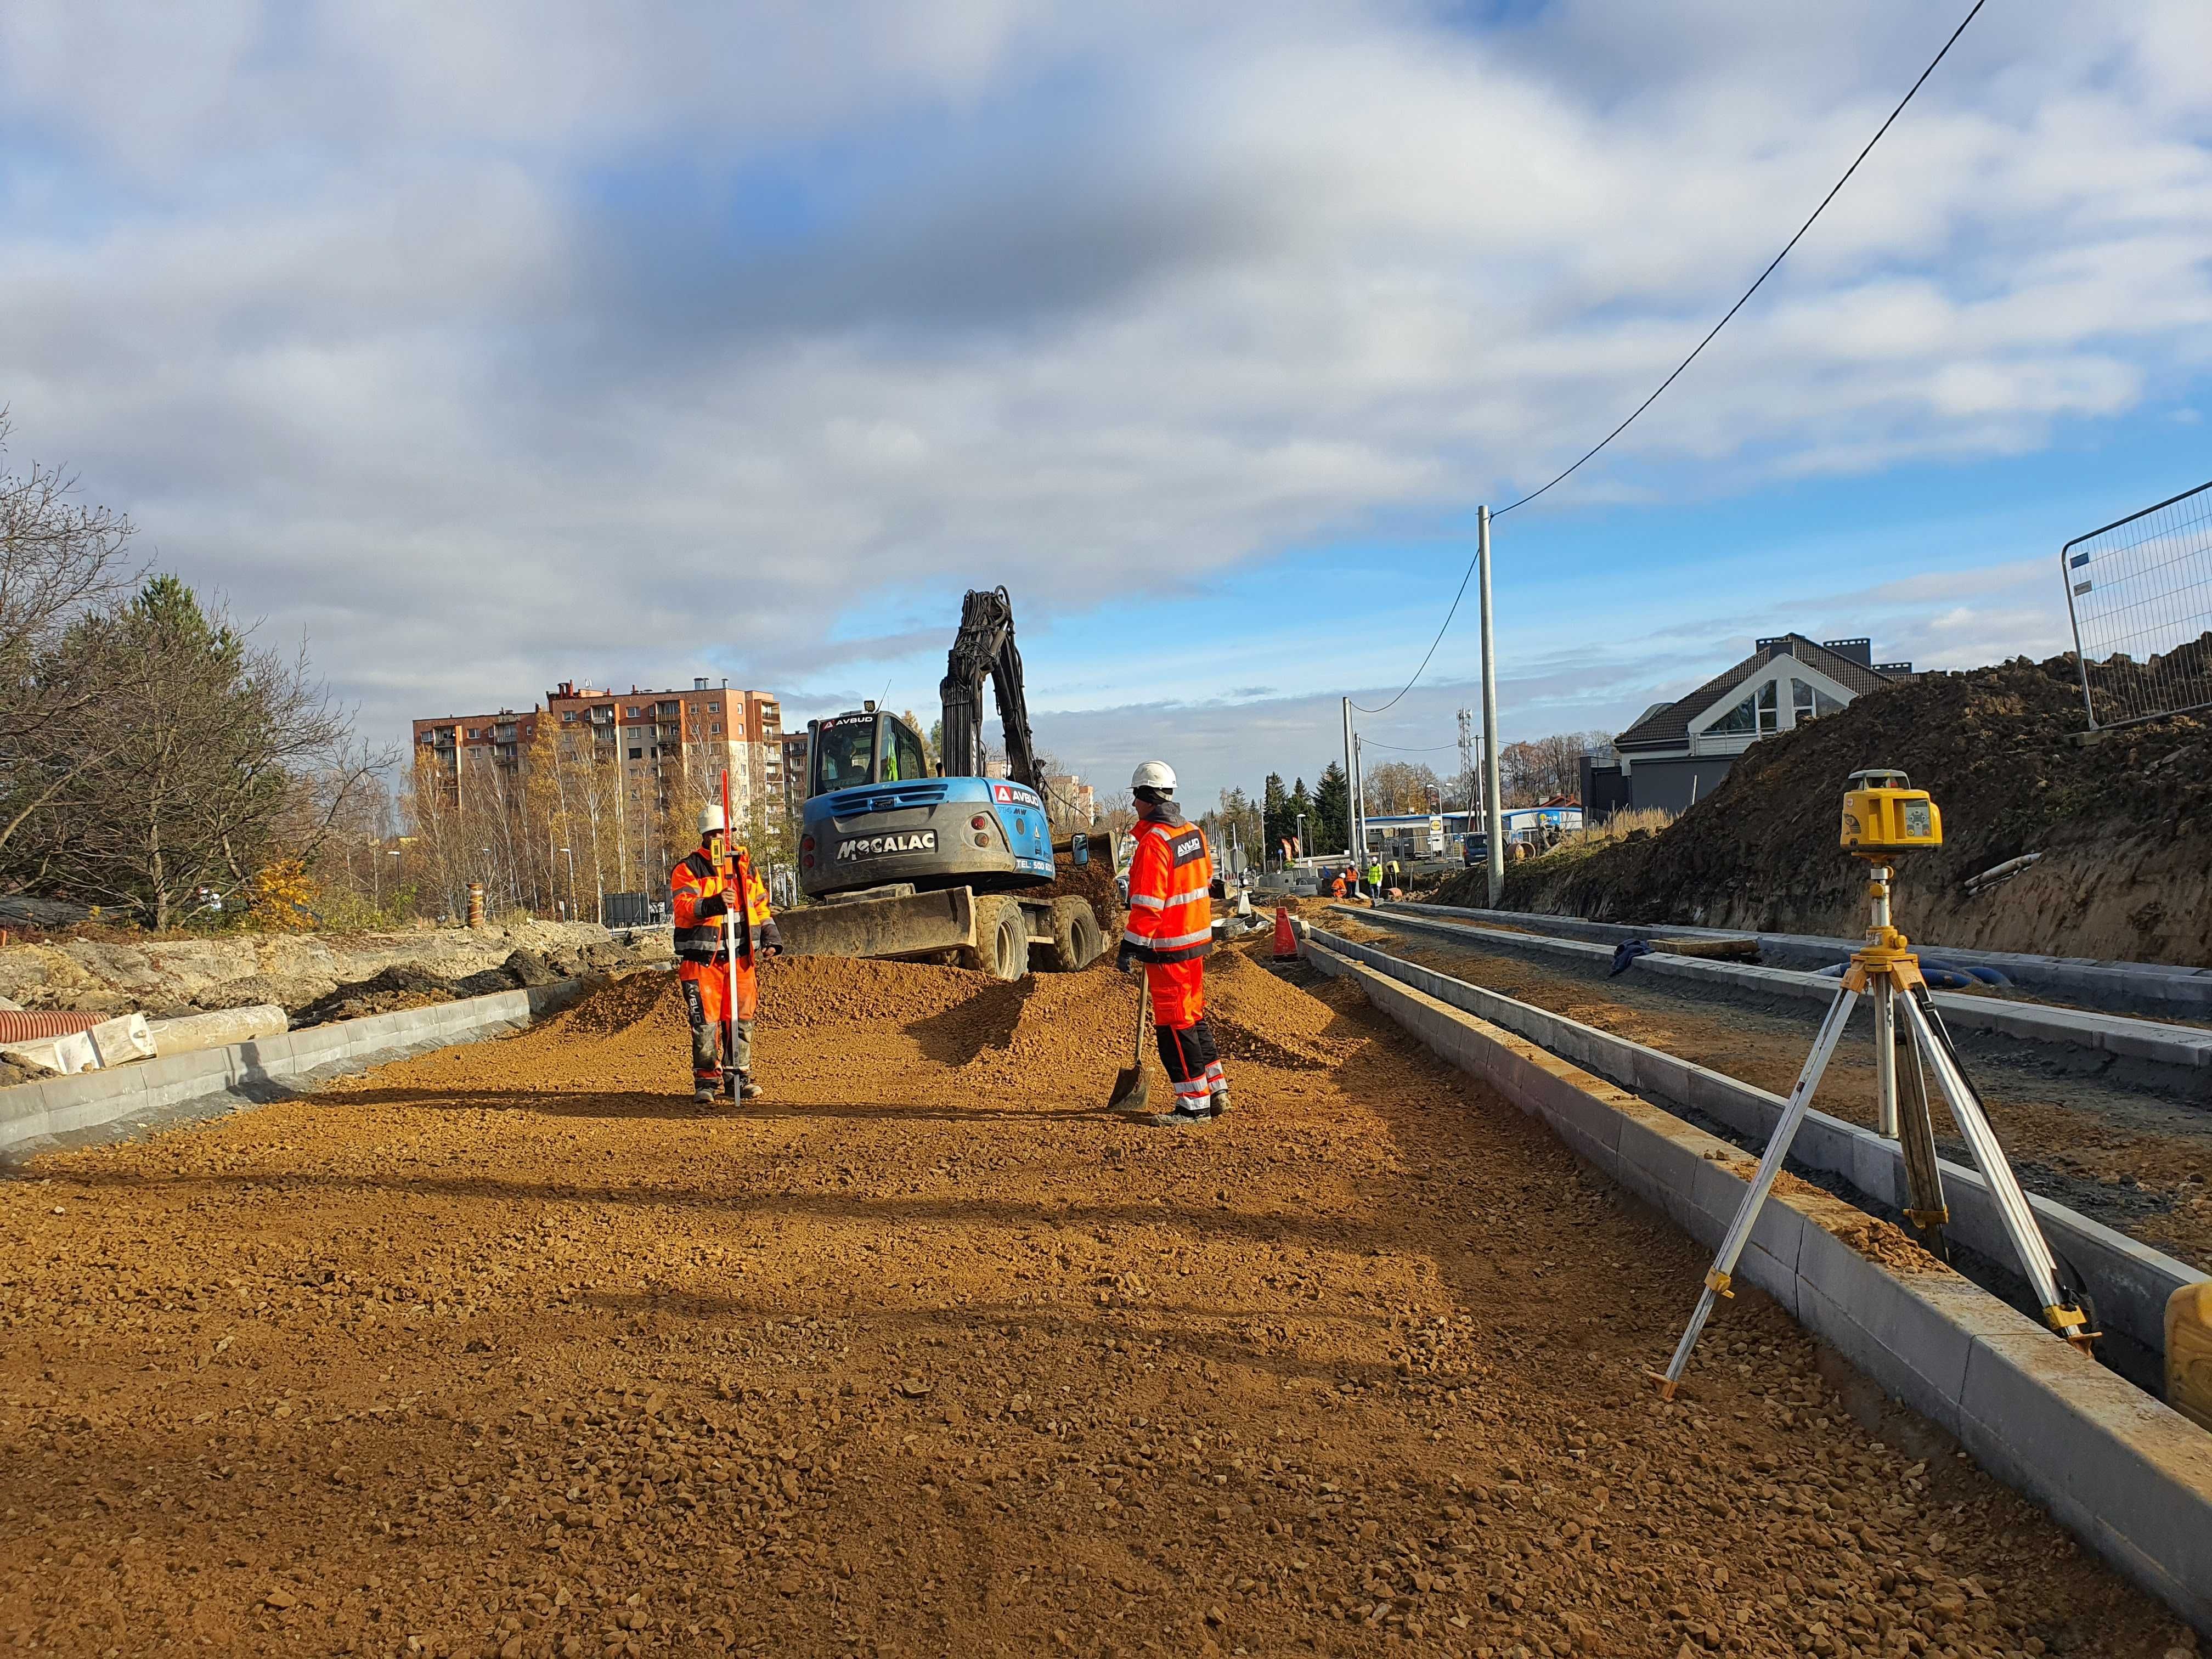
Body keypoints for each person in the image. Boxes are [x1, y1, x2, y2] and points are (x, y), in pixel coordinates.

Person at [1115, 760, 1228, 1127]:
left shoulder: (1154, 843)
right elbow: (1205, 880)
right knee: (1193, 1017)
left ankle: (1193, 1106)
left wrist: (1131, 946)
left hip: (1168, 948)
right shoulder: (1194, 834)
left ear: (1148, 798)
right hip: (1195, 943)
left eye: (1135, 797)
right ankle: (1215, 1088)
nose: (1133, 804)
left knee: (1175, 1027)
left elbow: (1148, 904)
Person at [670, 804, 782, 1104]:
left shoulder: (744, 867)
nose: (720, 837)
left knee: (740, 1019)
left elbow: (760, 905)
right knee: (705, 1024)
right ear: (705, 836)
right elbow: (684, 908)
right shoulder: (688, 868)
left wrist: (770, 934)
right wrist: (715, 903)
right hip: (701, 961)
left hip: (740, 958)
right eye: (714, 833)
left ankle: (739, 1077)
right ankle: (706, 1081)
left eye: (723, 831)